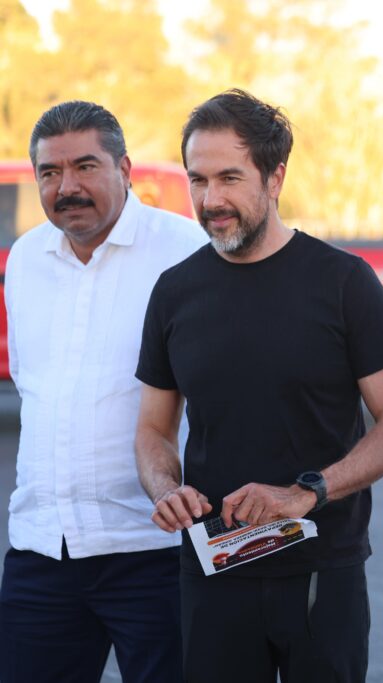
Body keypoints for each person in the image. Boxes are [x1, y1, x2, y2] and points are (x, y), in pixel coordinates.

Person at [133, 89, 383, 683]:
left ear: (275, 177)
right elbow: (154, 429)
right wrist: (165, 488)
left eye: (230, 178)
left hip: (322, 571)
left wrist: (305, 493)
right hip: (212, 571)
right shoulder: (174, 291)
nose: (211, 200)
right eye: (198, 180)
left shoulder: (344, 282)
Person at [0, 101, 207, 683]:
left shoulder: (186, 252)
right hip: (43, 552)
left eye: (85, 166)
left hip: (155, 550)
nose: (67, 186)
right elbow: (34, 388)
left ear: (125, 169)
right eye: (49, 172)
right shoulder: (26, 259)